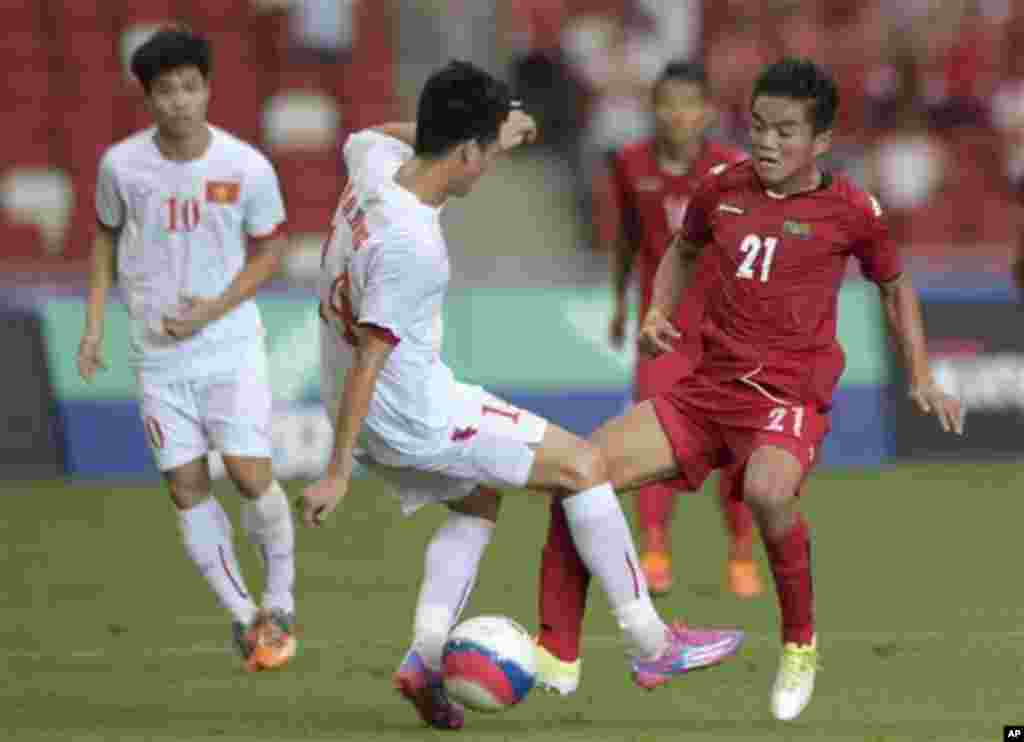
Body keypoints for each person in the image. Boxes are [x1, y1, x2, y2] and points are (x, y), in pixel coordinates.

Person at [301, 60, 744, 731]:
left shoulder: (372, 160)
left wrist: (482, 131)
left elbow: (378, 135)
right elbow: (373, 354)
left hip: (363, 406)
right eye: (486, 154)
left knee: (477, 499)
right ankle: (651, 644)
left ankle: (424, 659)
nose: (490, 169)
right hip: (411, 410)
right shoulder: (413, 246)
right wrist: (337, 472)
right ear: (467, 151)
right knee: (583, 465)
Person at [534, 57, 963, 721]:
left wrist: (923, 375)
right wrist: (657, 311)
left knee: (766, 489)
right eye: (759, 126)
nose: (766, 141)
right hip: (710, 389)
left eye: (785, 131)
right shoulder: (721, 188)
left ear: (820, 141)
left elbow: (894, 283)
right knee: (577, 474)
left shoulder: (851, 209)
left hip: (790, 395)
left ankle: (799, 644)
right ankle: (558, 652)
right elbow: (681, 248)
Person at [78, 28, 297, 673]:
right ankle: (243, 617)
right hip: (156, 355)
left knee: (251, 475)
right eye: (166, 90)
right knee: (186, 486)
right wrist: (95, 326)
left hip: (228, 347)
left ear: (207, 89)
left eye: (190, 87)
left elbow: (272, 249)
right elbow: (104, 240)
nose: (180, 101)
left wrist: (213, 309)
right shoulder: (121, 165)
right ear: (146, 97)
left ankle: (280, 597)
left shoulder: (246, 166)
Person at [604, 60, 759, 598]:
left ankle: (741, 553)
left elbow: (750, 246)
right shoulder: (628, 163)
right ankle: (654, 549)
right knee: (656, 440)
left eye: (689, 104)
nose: (678, 114)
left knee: (738, 444)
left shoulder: (732, 167)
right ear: (654, 108)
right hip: (660, 327)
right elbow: (627, 236)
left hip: (723, 330)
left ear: (707, 112)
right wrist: (620, 305)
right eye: (668, 103)